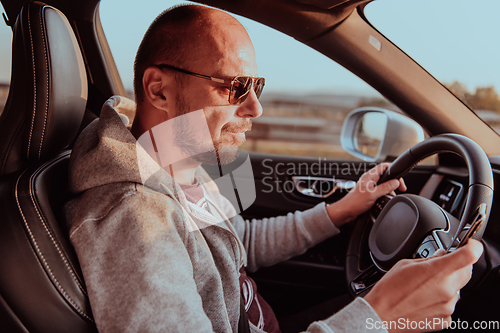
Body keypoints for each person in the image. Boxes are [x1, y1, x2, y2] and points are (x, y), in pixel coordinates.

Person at [64, 4, 483, 333]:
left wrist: (344, 209)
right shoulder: (133, 220)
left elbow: (240, 241)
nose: (255, 108)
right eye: (235, 87)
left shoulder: (173, 162)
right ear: (159, 90)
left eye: (257, 85)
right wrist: (377, 318)